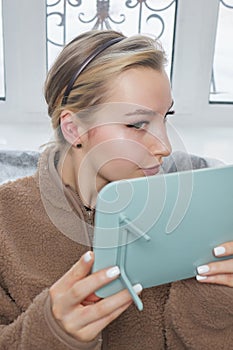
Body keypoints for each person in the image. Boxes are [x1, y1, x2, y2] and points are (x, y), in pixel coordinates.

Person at [0, 29, 232, 350]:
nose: (164, 146)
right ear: (74, 127)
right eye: (137, 124)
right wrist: (51, 333)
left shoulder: (191, 208)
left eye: (166, 117)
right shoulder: (4, 220)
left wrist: (219, 296)